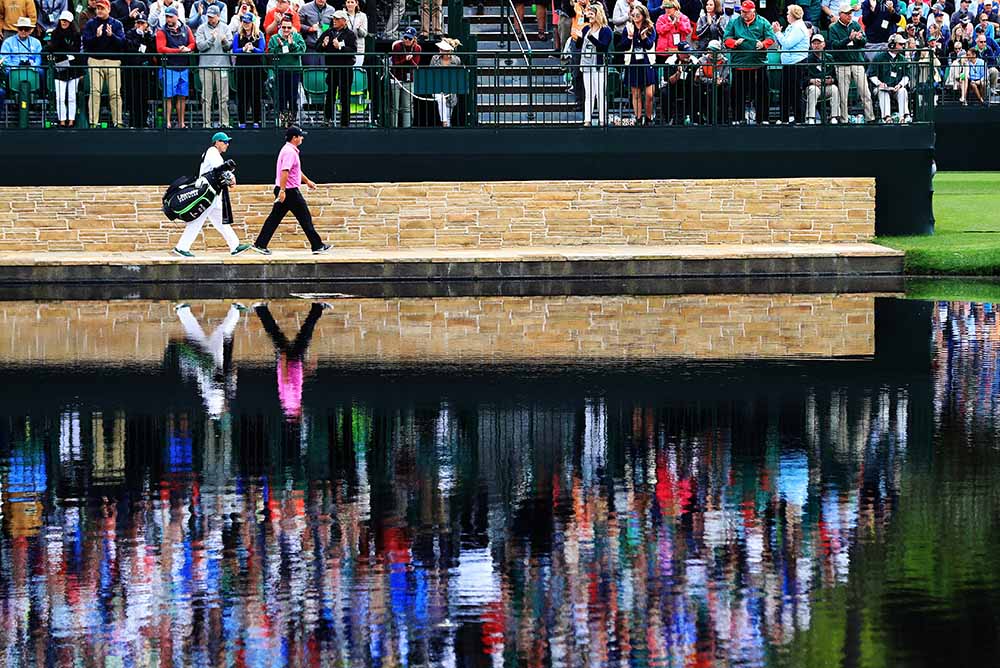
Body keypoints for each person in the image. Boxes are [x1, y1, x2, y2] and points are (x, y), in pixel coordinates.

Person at [252, 126, 331, 256]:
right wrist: (282, 191)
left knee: (275, 218)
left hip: (286, 190)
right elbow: (285, 171)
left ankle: (260, 244)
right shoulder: (289, 152)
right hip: (289, 191)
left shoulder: (289, 150)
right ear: (294, 138)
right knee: (305, 218)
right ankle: (317, 245)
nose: (302, 138)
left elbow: (295, 171)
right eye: (300, 136)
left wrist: (307, 182)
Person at [173, 132, 252, 257]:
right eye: (224, 142)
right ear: (217, 142)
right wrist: (231, 177)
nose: (227, 144)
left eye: (227, 142)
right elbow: (220, 168)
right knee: (198, 221)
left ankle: (235, 246)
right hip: (207, 193)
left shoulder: (214, 153)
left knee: (221, 221)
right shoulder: (212, 151)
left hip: (212, 193)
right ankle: (181, 247)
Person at [254, 302, 327, 422]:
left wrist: (283, 359)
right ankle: (261, 309)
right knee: (279, 334)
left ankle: (317, 308)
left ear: (298, 415)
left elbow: (286, 380)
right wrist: (307, 370)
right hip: (293, 362)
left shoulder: (292, 402)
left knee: (305, 333)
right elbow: (295, 381)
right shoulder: (289, 404)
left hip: (291, 360)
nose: (304, 412)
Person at [173, 302, 246, 421]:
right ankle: (183, 311)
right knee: (198, 333)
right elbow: (224, 377)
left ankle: (235, 310)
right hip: (209, 357)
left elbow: (223, 377)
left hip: (211, 358)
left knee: (219, 333)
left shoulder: (216, 395)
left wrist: (231, 374)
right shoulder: (208, 392)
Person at [722, 0, 775, 123]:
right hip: (739, 65)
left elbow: (771, 38)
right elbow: (726, 39)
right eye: (742, 12)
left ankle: (763, 119)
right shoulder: (734, 22)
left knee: (762, 94)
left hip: (758, 64)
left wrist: (763, 44)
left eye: (746, 12)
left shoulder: (763, 22)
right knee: (737, 94)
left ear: (753, 11)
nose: (743, 14)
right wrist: (734, 43)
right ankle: (738, 118)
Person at [82, 0, 126, 127]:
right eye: (97, 8)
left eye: (102, 8)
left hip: (113, 61)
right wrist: (96, 36)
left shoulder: (117, 24)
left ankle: (118, 122)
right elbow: (86, 43)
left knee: (115, 93)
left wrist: (112, 36)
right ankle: (93, 122)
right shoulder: (91, 23)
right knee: (95, 92)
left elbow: (122, 44)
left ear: (108, 9)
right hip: (95, 61)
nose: (99, 11)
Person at [828, 2, 874, 121]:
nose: (849, 15)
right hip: (842, 64)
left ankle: (870, 118)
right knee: (843, 96)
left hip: (857, 63)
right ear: (840, 14)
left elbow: (864, 42)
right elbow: (834, 46)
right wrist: (848, 39)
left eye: (850, 13)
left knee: (865, 93)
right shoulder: (833, 28)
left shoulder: (855, 25)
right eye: (847, 13)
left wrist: (859, 39)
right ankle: (844, 119)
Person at [156, 5, 195, 128]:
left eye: (171, 17)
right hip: (169, 68)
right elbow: (160, 48)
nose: (168, 20)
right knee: (168, 97)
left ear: (176, 17)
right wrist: (179, 51)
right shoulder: (161, 31)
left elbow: (193, 42)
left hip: (183, 67)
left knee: (182, 96)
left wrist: (188, 48)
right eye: (167, 17)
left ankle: (181, 123)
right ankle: (167, 123)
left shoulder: (186, 28)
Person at [575, 3, 612, 125]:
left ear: (598, 15)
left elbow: (603, 47)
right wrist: (579, 38)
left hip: (599, 65)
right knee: (589, 93)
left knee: (600, 93)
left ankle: (602, 120)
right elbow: (579, 46)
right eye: (588, 13)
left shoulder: (606, 30)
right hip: (586, 64)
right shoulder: (586, 28)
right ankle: (587, 119)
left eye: (591, 13)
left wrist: (590, 37)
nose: (589, 15)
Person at [317, 9, 355, 126]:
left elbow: (353, 50)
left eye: (337, 19)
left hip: (345, 69)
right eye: (333, 19)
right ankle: (326, 120)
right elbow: (317, 47)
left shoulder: (350, 34)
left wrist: (340, 47)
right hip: (332, 69)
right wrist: (323, 45)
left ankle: (345, 122)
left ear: (344, 21)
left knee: (345, 97)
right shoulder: (328, 32)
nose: (334, 21)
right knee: (330, 96)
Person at [195, 5, 232, 128]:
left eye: (212, 17)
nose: (210, 19)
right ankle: (207, 124)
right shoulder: (201, 28)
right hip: (206, 66)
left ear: (218, 16)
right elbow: (200, 46)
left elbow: (229, 47)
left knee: (224, 97)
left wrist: (224, 41)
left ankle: (224, 123)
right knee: (206, 97)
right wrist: (212, 38)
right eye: (208, 17)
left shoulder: (226, 28)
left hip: (222, 66)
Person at [772, 4, 809, 123]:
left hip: (797, 64)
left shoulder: (798, 27)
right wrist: (778, 33)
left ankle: (799, 119)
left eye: (788, 13)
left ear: (793, 15)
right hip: (789, 64)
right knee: (785, 91)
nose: (786, 15)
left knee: (795, 92)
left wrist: (778, 32)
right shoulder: (791, 26)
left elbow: (787, 44)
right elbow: (783, 42)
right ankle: (784, 119)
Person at [46, 10, 83, 127]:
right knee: (60, 97)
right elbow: (53, 49)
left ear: (70, 22)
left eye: (66, 20)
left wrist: (66, 52)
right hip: (60, 68)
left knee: (72, 96)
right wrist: (66, 54)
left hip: (73, 69)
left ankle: (71, 119)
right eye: (62, 20)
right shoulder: (55, 34)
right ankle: (61, 119)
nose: (64, 22)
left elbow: (76, 52)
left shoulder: (76, 35)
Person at [267, 15, 305, 126]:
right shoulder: (274, 38)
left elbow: (301, 51)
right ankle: (283, 120)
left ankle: (292, 120)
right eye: (284, 27)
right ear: (280, 27)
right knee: (281, 96)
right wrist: (279, 47)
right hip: (280, 70)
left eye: (288, 27)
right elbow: (270, 53)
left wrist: (292, 44)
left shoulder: (297, 37)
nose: (286, 30)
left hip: (294, 70)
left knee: (293, 96)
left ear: (292, 27)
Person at [622, 3, 656, 124]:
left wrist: (644, 37)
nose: (635, 16)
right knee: (635, 93)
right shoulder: (628, 27)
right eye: (633, 14)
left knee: (649, 94)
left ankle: (648, 117)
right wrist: (630, 37)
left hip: (647, 63)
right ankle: (637, 117)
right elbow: (623, 45)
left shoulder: (650, 27)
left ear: (643, 15)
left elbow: (650, 44)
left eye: (638, 14)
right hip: (632, 62)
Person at [232, 12, 265, 127]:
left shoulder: (259, 35)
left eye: (248, 22)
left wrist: (253, 48)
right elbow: (234, 50)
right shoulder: (238, 35)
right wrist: (243, 49)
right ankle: (242, 121)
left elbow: (262, 50)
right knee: (242, 96)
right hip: (242, 69)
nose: (245, 24)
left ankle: (256, 120)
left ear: (252, 23)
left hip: (256, 69)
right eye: (244, 22)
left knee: (256, 95)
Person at [123, 12, 156, 127]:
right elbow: (129, 47)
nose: (140, 25)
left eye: (142, 23)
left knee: (144, 97)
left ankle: (144, 121)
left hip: (145, 71)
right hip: (132, 70)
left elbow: (151, 50)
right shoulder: (130, 33)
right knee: (133, 97)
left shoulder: (149, 36)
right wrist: (138, 36)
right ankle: (133, 122)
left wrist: (146, 36)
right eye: (138, 23)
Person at [869, 32, 911, 120]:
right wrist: (880, 83)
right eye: (900, 44)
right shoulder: (879, 57)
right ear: (892, 45)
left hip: (896, 88)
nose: (903, 46)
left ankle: (903, 116)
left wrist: (900, 85)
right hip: (882, 88)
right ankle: (886, 117)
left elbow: (906, 76)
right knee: (883, 91)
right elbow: (872, 75)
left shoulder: (902, 59)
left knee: (903, 90)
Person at [388, 26, 421, 127]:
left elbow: (416, 65)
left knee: (407, 107)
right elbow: (395, 63)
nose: (406, 40)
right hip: (396, 79)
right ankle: (394, 128)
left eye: (409, 38)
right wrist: (405, 59)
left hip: (409, 79)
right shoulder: (397, 46)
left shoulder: (417, 48)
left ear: (414, 39)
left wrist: (410, 60)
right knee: (395, 107)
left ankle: (407, 128)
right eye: (405, 37)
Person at [803, 32, 839, 121]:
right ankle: (810, 117)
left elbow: (835, 76)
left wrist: (832, 80)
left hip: (827, 86)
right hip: (813, 87)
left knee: (834, 89)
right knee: (813, 90)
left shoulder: (829, 58)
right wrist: (811, 81)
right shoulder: (807, 59)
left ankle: (834, 117)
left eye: (818, 43)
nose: (816, 45)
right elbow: (803, 78)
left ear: (824, 44)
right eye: (814, 43)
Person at [661, 40, 698, 123]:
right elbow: (670, 80)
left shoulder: (694, 60)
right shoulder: (670, 61)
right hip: (673, 86)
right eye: (685, 53)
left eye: (689, 52)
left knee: (697, 90)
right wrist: (678, 73)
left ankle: (694, 118)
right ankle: (668, 118)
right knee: (664, 93)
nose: (688, 55)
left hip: (688, 85)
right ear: (679, 52)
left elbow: (696, 79)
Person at [430, 37, 463, 126]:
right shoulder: (434, 58)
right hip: (437, 87)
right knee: (441, 100)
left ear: (448, 50)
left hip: (451, 89)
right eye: (440, 48)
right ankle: (444, 122)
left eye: (442, 48)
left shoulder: (456, 60)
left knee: (449, 113)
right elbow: (431, 73)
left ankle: (447, 128)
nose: (440, 49)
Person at [697, 38, 731, 123]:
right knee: (708, 91)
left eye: (713, 50)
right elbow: (701, 77)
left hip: (721, 85)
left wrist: (721, 81)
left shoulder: (725, 61)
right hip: (708, 85)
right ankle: (710, 119)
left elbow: (726, 76)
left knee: (726, 89)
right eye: (709, 50)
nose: (710, 52)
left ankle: (724, 118)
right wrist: (713, 81)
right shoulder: (702, 60)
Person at [298, 0, 335, 65]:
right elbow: (297, 24)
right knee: (310, 73)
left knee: (324, 73)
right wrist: (309, 28)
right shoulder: (305, 8)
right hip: (310, 47)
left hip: (325, 48)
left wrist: (327, 29)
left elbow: (334, 27)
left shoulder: (331, 10)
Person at [344, 0, 367, 66]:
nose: (350, 4)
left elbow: (364, 34)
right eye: (348, 2)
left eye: (352, 2)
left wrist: (359, 29)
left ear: (356, 3)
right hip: (345, 48)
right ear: (345, 4)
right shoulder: (342, 15)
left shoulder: (362, 16)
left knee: (357, 71)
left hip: (359, 49)